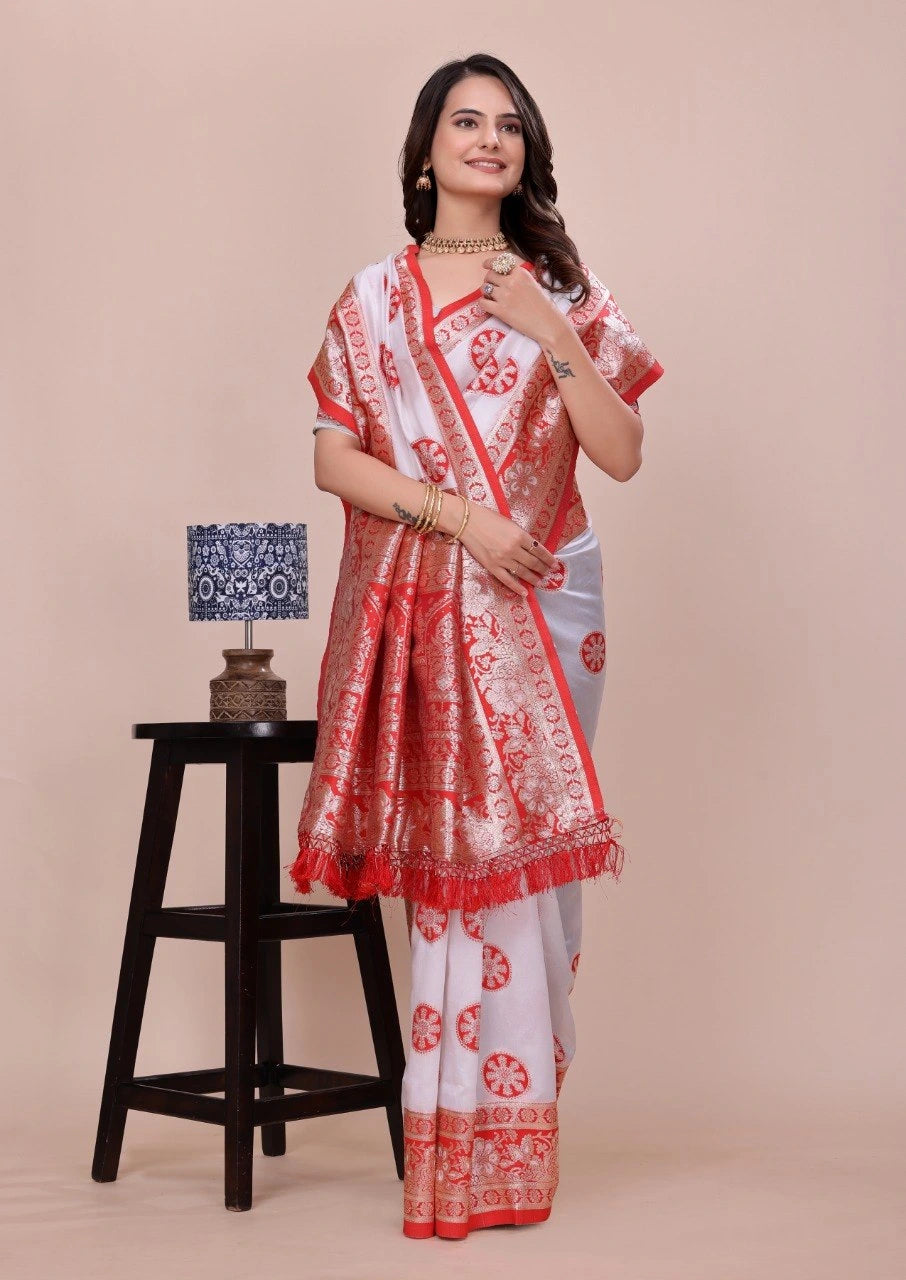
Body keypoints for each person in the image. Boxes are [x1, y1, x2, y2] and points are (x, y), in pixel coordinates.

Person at [288, 52, 664, 1239]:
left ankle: (515, 1130)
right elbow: (333, 457)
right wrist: (461, 522)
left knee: (533, 875)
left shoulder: (568, 289)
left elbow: (621, 451)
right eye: (467, 120)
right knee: (461, 858)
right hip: (437, 599)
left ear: (524, 153)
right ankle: (452, 1145)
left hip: (548, 608)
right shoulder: (371, 299)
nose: (489, 140)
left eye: (509, 125)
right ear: (426, 149)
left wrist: (550, 327)